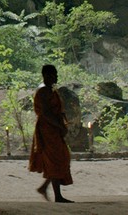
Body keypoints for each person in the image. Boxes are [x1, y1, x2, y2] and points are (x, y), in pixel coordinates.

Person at [29, 64, 73, 203]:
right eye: (54, 74)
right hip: (48, 129)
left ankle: (44, 187)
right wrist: (59, 125)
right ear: (47, 75)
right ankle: (57, 196)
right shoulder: (43, 91)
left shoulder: (50, 90)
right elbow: (46, 113)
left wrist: (62, 123)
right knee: (55, 159)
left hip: (53, 128)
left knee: (61, 157)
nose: (57, 77)